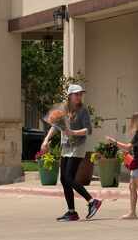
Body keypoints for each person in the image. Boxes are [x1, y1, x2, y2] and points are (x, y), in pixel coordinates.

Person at [41, 84, 102, 222]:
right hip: (66, 146)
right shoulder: (63, 109)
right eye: (76, 94)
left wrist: (73, 132)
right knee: (63, 179)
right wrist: (46, 140)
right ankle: (72, 212)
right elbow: (55, 126)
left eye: (80, 94)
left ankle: (92, 201)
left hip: (78, 146)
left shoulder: (83, 110)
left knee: (69, 177)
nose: (79, 96)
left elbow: (88, 130)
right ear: (69, 95)